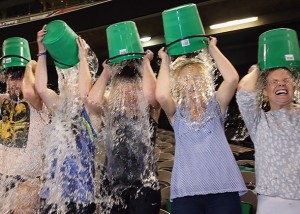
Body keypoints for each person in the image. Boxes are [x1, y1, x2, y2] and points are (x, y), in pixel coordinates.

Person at [155, 37, 247, 214]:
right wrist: (165, 62)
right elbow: (162, 96)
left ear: (205, 81)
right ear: (178, 86)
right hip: (186, 192)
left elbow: (232, 79)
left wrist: (212, 48)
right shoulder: (176, 112)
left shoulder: (217, 104)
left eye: (197, 78)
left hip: (223, 188)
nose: (192, 83)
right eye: (185, 80)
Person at [79, 49, 161, 214]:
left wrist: (145, 64)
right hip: (112, 184)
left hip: (144, 185)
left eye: (133, 93)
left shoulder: (150, 109)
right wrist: (106, 72)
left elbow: (153, 93)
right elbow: (91, 100)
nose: (128, 98)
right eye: (123, 93)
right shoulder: (110, 109)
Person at [35, 26, 97, 213]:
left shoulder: (92, 110)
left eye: (75, 77)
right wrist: (41, 51)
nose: (69, 81)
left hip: (81, 197)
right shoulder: (59, 105)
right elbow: (40, 88)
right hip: (52, 195)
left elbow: (85, 95)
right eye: (66, 78)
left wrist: (83, 59)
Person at [236, 64, 300, 213]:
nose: (281, 83)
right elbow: (243, 92)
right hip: (270, 200)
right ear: (265, 91)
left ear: (294, 87)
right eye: (274, 82)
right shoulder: (259, 120)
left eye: (286, 80)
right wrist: (260, 67)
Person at [0, 56, 47, 213]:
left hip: (30, 179)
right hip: (4, 176)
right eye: (11, 79)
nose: (14, 84)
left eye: (19, 79)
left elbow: (28, 92)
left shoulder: (40, 103)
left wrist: (30, 65)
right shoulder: (4, 101)